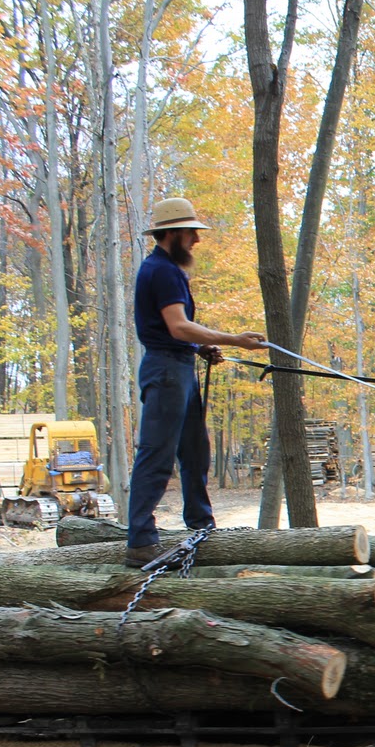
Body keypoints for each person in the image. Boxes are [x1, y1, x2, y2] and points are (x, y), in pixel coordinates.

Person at [125, 197, 266, 567]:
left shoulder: (168, 270)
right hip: (166, 370)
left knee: (195, 451)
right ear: (171, 233)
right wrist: (233, 339)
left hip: (180, 365)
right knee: (157, 454)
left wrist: (199, 347)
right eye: (190, 233)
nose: (196, 240)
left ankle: (201, 525)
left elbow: (177, 331)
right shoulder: (161, 271)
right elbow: (177, 325)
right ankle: (140, 540)